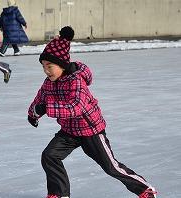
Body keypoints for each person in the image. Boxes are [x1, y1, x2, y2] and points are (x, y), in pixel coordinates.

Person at [27, 26, 157, 198]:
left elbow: (76, 107)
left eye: (50, 66)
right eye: (44, 66)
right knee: (50, 155)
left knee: (110, 167)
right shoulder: (49, 82)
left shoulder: (76, 81)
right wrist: (33, 113)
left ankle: (144, 189)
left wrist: (47, 108)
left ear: (62, 65)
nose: (46, 70)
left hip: (91, 131)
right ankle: (59, 194)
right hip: (69, 131)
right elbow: (39, 99)